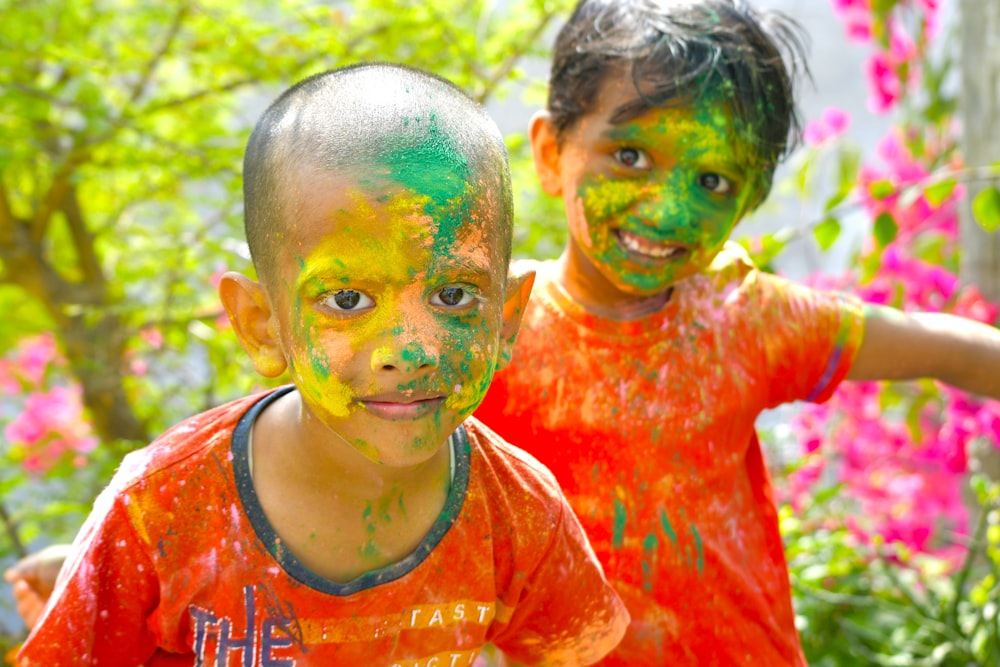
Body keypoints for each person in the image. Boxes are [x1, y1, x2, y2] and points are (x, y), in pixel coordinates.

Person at [13, 63, 629, 667]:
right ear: (263, 325)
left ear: (506, 319)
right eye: (347, 300)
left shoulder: (520, 512)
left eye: (453, 296)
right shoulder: (159, 510)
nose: (409, 351)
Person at [473, 0, 1000, 665]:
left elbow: (941, 344)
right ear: (552, 153)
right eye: (630, 154)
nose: (668, 208)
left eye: (713, 179)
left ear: (749, 198)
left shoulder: (738, 317)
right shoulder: (491, 334)